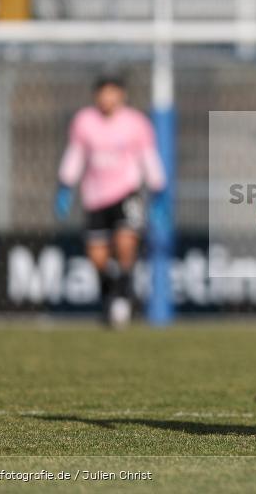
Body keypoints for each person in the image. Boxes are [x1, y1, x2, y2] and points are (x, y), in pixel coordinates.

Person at [55, 76, 166, 327]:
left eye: (112, 93)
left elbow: (147, 157)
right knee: (97, 256)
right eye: (102, 93)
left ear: (121, 95)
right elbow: (76, 154)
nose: (107, 99)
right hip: (95, 196)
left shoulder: (136, 123)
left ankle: (123, 295)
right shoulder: (84, 122)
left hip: (127, 192)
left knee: (126, 243)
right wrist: (65, 185)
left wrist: (158, 189)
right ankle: (114, 293)